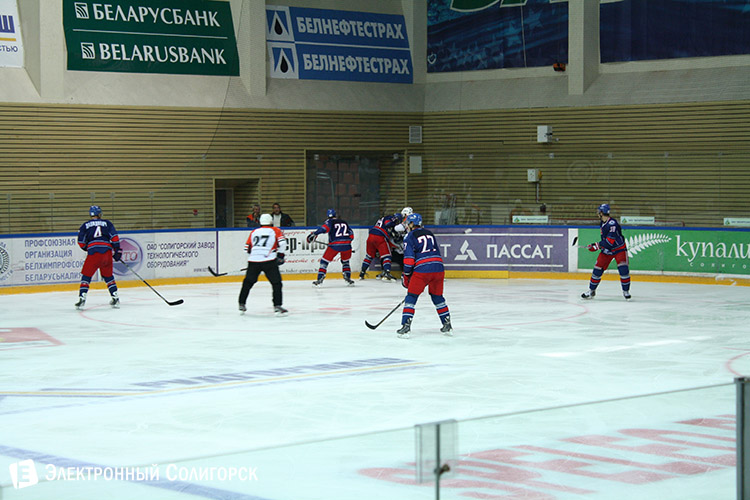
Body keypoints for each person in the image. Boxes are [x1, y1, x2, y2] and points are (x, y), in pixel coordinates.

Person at [397, 213, 452, 339]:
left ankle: (405, 326)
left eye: (408, 223)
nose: (406, 226)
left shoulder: (409, 236)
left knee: (411, 296)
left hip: (422, 270)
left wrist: (406, 274)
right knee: (437, 296)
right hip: (438, 268)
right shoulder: (429, 233)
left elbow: (409, 260)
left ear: (412, 224)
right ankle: (447, 323)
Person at [238, 213, 289, 315]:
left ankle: (241, 303)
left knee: (248, 282)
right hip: (269, 260)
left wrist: (255, 256)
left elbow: (246, 249)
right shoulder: (275, 230)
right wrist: (280, 256)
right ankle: (277, 305)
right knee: (276, 283)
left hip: (253, 261)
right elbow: (283, 243)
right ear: (271, 221)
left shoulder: (254, 232)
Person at [75, 205, 122, 310]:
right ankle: (115, 298)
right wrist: (117, 250)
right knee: (108, 276)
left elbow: (81, 241)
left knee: (86, 276)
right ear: (100, 214)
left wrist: (87, 248)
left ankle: (82, 298)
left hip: (93, 253)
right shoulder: (107, 223)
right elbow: (114, 237)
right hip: (106, 253)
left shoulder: (85, 225)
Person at [581, 203, 631, 300]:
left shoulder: (612, 224)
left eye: (598, 212)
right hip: (607, 250)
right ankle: (591, 291)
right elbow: (605, 242)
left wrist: (596, 246)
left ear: (601, 212)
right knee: (597, 270)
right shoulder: (602, 223)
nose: (597, 213)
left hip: (619, 249)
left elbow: (609, 242)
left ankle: (626, 291)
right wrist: (595, 245)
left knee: (623, 270)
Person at [307, 208, 355, 286]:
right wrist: (345, 243)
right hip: (347, 245)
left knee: (324, 262)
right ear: (335, 214)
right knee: (345, 262)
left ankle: (319, 279)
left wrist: (314, 234)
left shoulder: (329, 221)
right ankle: (348, 279)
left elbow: (324, 229)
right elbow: (352, 235)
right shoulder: (344, 222)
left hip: (334, 245)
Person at [358, 210, 404, 281]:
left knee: (369, 256)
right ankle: (387, 273)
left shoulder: (382, 219)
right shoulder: (391, 218)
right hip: (380, 236)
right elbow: (388, 223)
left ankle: (362, 273)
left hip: (371, 236)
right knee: (387, 256)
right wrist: (393, 227)